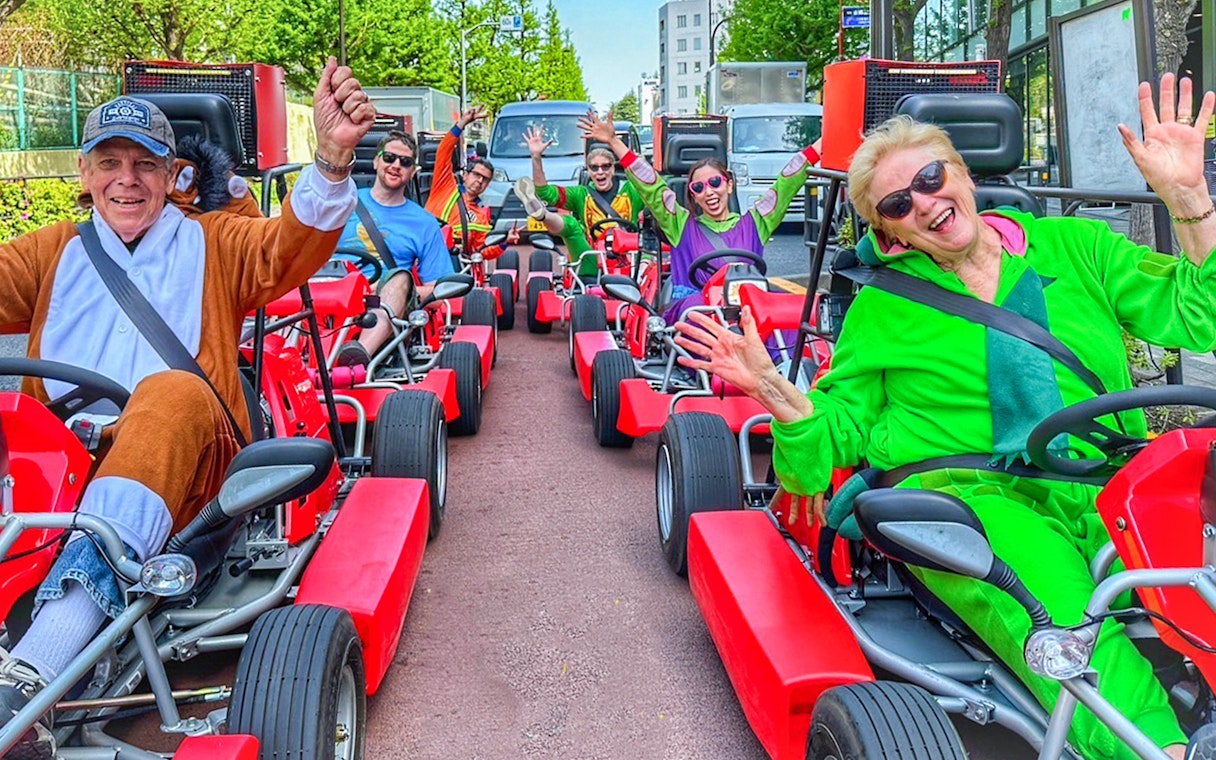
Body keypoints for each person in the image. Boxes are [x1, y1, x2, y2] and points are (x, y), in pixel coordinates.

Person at [673, 74, 1216, 760]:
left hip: (1108, 482)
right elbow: (833, 436)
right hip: (968, 498)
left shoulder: (1079, 247)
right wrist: (772, 388)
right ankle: (1161, 750)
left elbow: (1200, 316)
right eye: (898, 204)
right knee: (1065, 611)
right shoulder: (883, 308)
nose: (925, 202)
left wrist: (1189, 197)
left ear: (959, 170)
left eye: (931, 177)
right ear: (890, 235)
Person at [0, 58, 374, 757]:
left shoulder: (213, 241)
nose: (126, 179)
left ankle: (33, 673)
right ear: (84, 174)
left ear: (174, 175)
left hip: (190, 465)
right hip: (54, 463)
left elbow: (288, 247)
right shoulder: (50, 252)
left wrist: (328, 159)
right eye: (109, 161)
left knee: (167, 395)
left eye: (145, 163)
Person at [576, 109, 819, 323]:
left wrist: (825, 143)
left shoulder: (755, 222)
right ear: (692, 196)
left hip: (748, 310)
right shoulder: (681, 224)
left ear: (729, 185)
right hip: (698, 311)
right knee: (697, 313)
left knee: (796, 312)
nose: (709, 192)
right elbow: (651, 187)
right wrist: (614, 142)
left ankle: (789, 370)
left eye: (715, 182)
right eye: (699, 188)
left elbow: (787, 183)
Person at [333, 129, 453, 368]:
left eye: (405, 162)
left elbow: (439, 293)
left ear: (413, 171)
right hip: (330, 287)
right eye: (389, 158)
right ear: (377, 161)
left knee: (399, 278)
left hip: (379, 300)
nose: (396, 165)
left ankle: (355, 360)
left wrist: (390, 289)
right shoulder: (341, 201)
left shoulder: (424, 223)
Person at [512, 123, 645, 279]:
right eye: (594, 168)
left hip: (629, 257)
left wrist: (616, 143)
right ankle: (542, 214)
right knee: (572, 226)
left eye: (605, 166)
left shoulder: (631, 190)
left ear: (613, 169)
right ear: (588, 171)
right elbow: (545, 193)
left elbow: (653, 189)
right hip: (592, 259)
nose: (600, 172)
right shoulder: (581, 194)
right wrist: (536, 157)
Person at [424, 107, 518, 260]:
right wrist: (462, 123)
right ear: (465, 175)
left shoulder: (482, 215)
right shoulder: (444, 187)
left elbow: (481, 252)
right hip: (427, 256)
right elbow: (443, 151)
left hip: (455, 266)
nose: (480, 181)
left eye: (485, 179)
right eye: (476, 175)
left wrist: (505, 243)